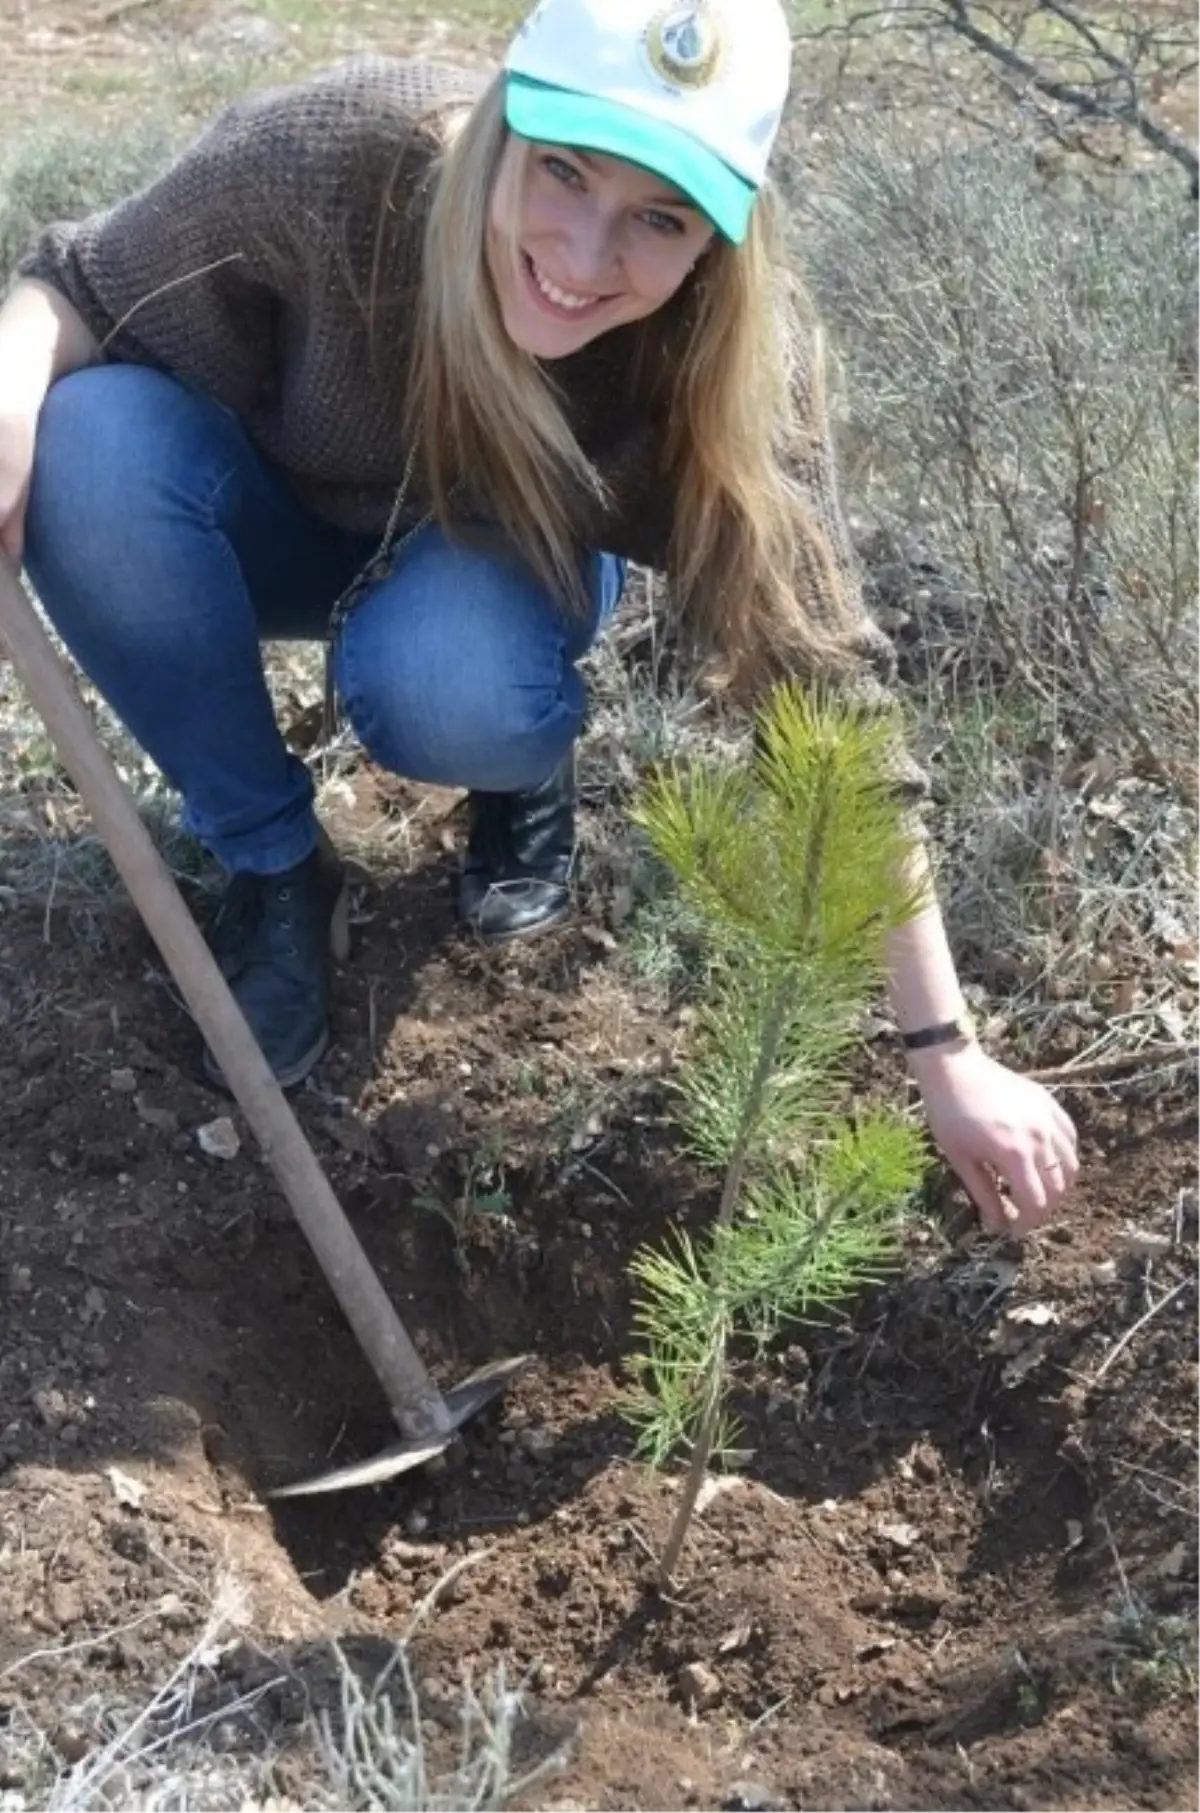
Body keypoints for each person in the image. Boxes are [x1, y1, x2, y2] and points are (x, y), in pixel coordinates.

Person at [0, 0, 1078, 1232]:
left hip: (494, 571)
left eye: (658, 218)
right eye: (562, 170)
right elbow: (75, 283)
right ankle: (275, 864)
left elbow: (833, 698)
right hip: (278, 522)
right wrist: (9, 385)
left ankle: (517, 766)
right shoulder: (338, 158)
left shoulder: (725, 369)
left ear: (717, 244)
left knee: (452, 684)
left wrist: (945, 1054)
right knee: (88, 440)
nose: (581, 253)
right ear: (505, 125)